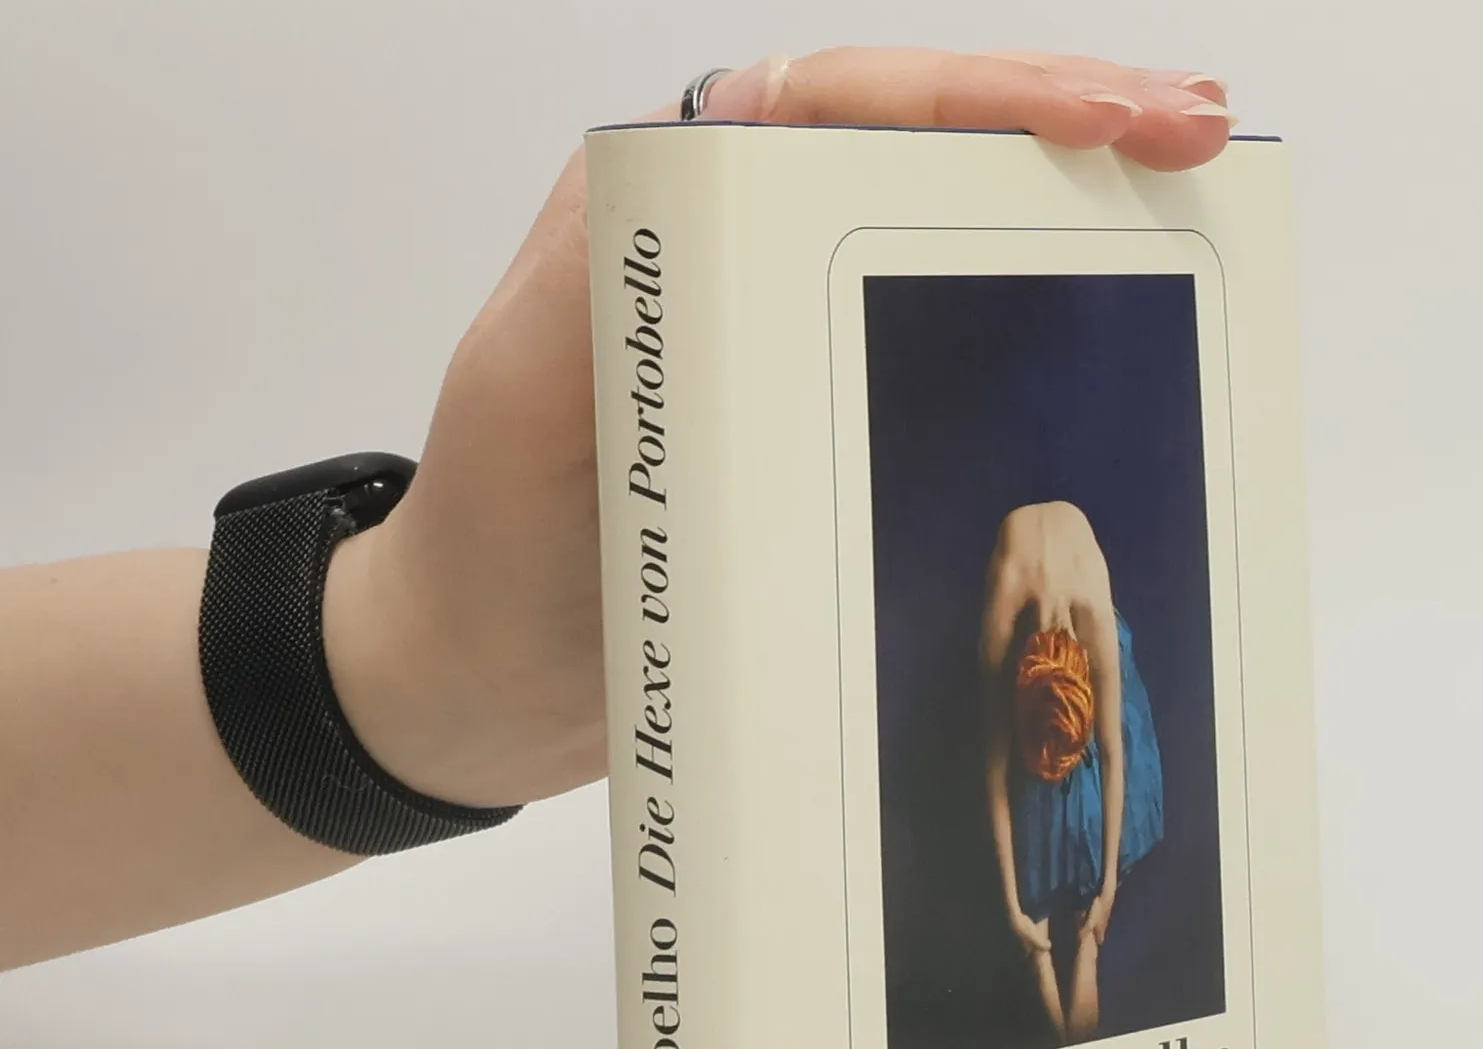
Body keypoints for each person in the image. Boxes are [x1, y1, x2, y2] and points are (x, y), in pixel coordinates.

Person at [0, 49, 1231, 974]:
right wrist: (415, 653)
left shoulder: (1036, 592)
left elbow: (1048, 764)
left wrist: (415, 656)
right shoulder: (1049, 584)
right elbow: (1059, 764)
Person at [981, 500, 1165, 1042]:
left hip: (1086, 641)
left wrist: (1106, 890)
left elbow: (1111, 750)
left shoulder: (1093, 614)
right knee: (1030, 790)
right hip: (1028, 647)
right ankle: (1039, 953)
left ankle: (1086, 939)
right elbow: (994, 769)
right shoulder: (1001, 618)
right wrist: (1014, 905)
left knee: (1101, 760)